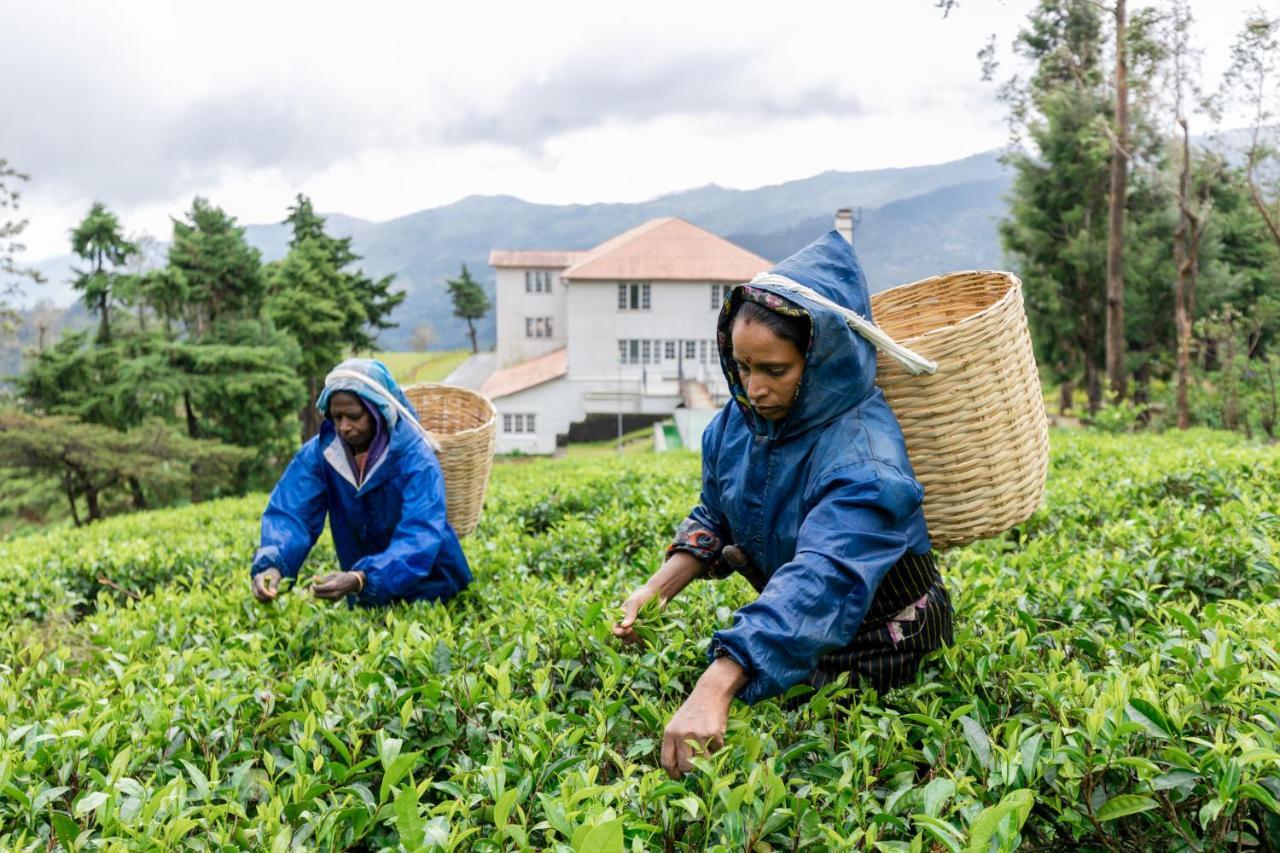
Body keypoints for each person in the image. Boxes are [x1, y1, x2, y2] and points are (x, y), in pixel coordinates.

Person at [613, 232, 952, 780]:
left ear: (821, 361)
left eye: (775, 370)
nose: (754, 388)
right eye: (743, 367)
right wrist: (657, 590)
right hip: (793, 631)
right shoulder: (741, 421)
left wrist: (718, 680)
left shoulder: (865, 457)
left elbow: (824, 577)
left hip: (882, 644)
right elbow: (717, 515)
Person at [249, 358, 472, 606]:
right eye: (337, 417)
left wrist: (363, 578)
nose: (344, 427)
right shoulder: (323, 453)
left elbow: (420, 532)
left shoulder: (416, 459)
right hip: (365, 594)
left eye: (354, 416)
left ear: (378, 410)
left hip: (434, 589)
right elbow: (292, 511)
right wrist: (273, 564)